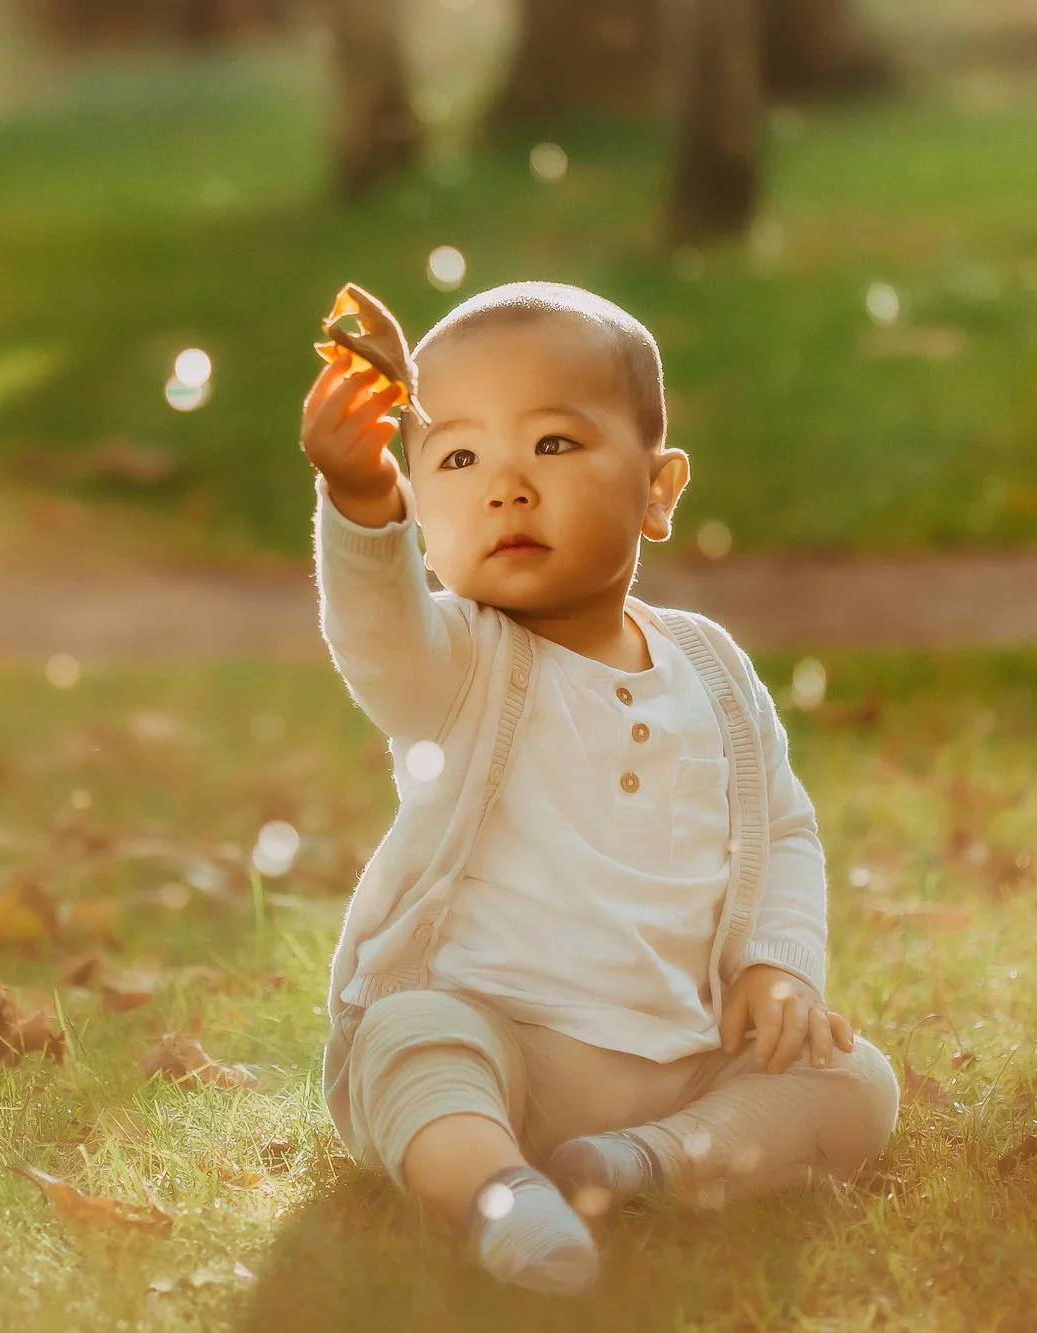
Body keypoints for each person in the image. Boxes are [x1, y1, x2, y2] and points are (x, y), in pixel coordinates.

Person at [299, 281, 899, 1296]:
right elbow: (379, 637)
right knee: (411, 1036)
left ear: (658, 491)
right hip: (498, 1043)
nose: (505, 488)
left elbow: (784, 833)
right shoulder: (458, 662)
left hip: (683, 1055)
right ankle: (500, 1196)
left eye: (552, 444)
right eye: (457, 458)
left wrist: (775, 966)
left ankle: (642, 1164)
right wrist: (360, 495)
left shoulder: (710, 667)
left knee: (854, 1082)